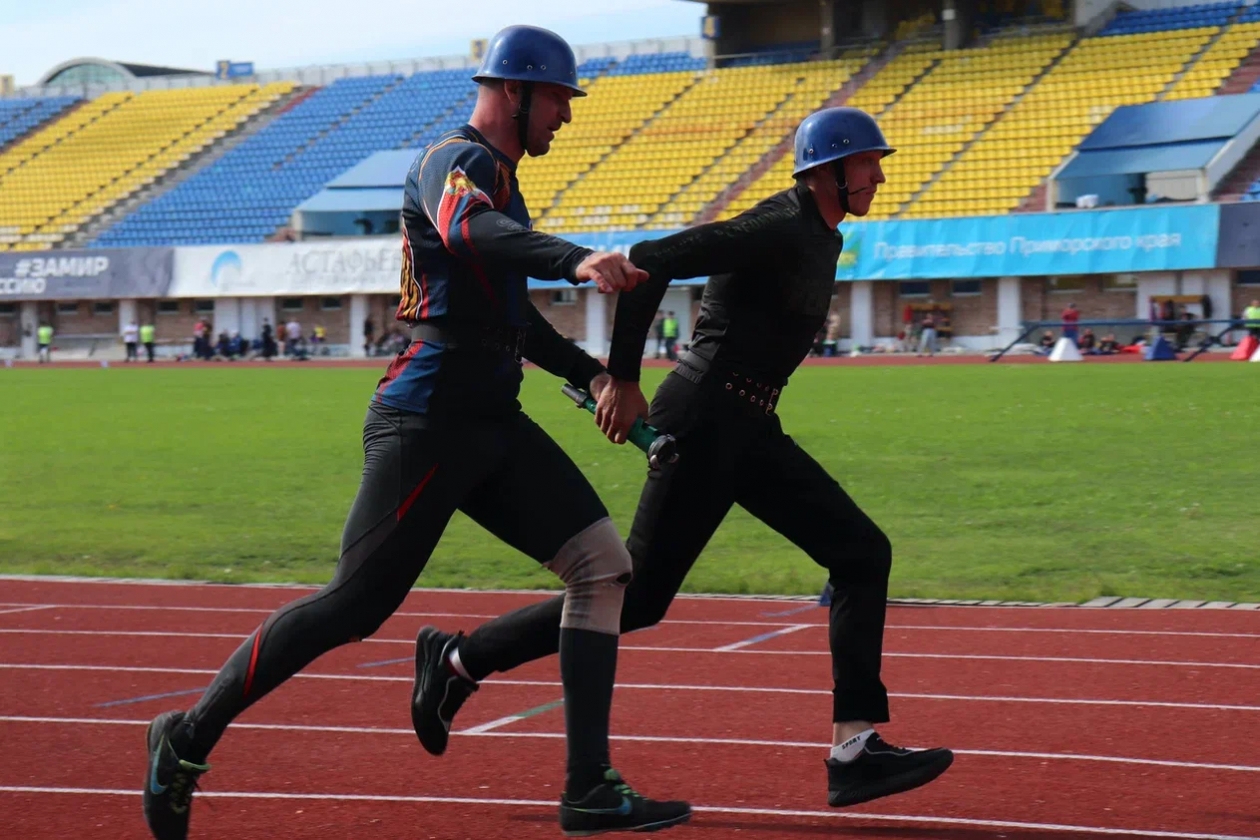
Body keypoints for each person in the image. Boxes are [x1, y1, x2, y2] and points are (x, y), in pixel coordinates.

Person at [142, 25, 690, 840]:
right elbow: (469, 234)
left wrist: (596, 377)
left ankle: (587, 788)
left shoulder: (503, 180)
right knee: (352, 608)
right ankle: (185, 737)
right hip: (427, 420)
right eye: (559, 102)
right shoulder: (456, 162)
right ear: (515, 91)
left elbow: (513, 322)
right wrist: (575, 257)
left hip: (492, 418)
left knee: (604, 567)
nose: (565, 120)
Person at [410, 106, 953, 811]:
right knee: (634, 600)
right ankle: (457, 661)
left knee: (860, 554)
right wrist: (624, 377)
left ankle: (854, 750)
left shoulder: (823, 235)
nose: (879, 174)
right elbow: (650, 260)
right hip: (704, 421)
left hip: (749, 425)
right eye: (868, 162)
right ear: (827, 171)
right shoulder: (779, 224)